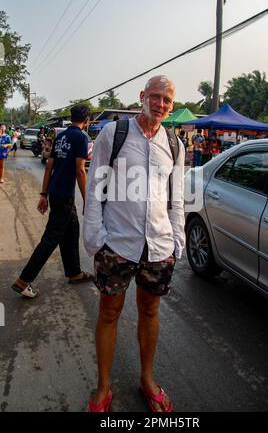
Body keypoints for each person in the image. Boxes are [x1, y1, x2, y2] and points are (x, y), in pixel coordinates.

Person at [83, 76, 185, 413]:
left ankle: (146, 378)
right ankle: (103, 386)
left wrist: (177, 239)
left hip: (158, 246)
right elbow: (96, 187)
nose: (160, 104)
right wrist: (95, 239)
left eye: (166, 100)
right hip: (117, 243)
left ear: (171, 106)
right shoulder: (114, 134)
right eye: (155, 97)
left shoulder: (175, 143)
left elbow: (177, 199)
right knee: (109, 313)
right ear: (142, 97)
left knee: (150, 311)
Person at [12, 104, 93, 298]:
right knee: (50, 239)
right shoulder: (81, 137)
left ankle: (74, 272)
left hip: (57, 193)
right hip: (64, 196)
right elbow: (81, 170)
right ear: (87, 120)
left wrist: (44, 193)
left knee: (72, 230)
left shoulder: (61, 136)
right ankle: (23, 280)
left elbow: (49, 165)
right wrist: (88, 199)